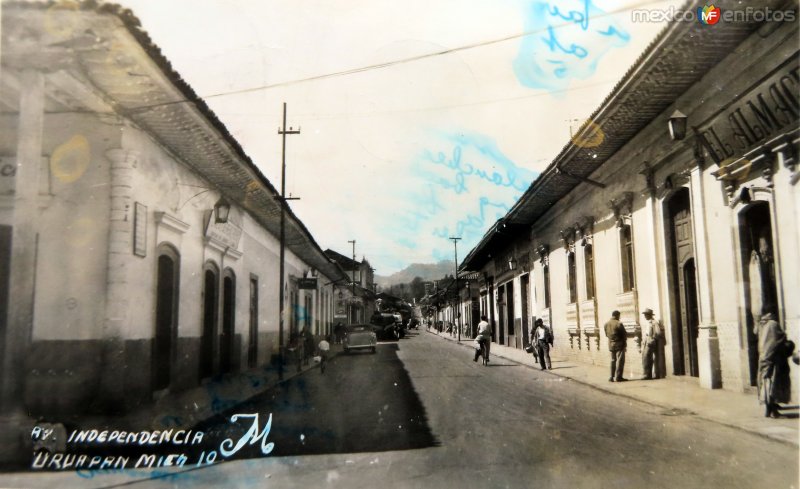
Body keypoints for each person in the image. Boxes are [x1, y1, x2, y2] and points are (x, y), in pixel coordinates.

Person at [756, 310, 793, 418]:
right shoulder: (773, 324)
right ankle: (774, 412)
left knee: (766, 385)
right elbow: (778, 339)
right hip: (773, 360)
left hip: (764, 359)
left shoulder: (762, 324)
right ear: (770, 313)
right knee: (772, 385)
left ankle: (768, 410)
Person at [640, 308, 664, 380]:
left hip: (650, 341)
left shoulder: (654, 322)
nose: (645, 316)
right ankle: (648, 374)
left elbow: (658, 332)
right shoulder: (648, 322)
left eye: (646, 315)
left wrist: (652, 338)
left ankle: (647, 375)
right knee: (645, 358)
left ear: (649, 315)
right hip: (646, 341)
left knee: (647, 357)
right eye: (644, 315)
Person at [604, 310, 628, 382]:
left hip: (611, 344)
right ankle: (618, 377)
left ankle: (611, 377)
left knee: (613, 360)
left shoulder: (606, 324)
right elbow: (624, 334)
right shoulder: (619, 323)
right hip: (619, 344)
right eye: (619, 316)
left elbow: (606, 334)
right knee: (620, 360)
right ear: (617, 315)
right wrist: (624, 343)